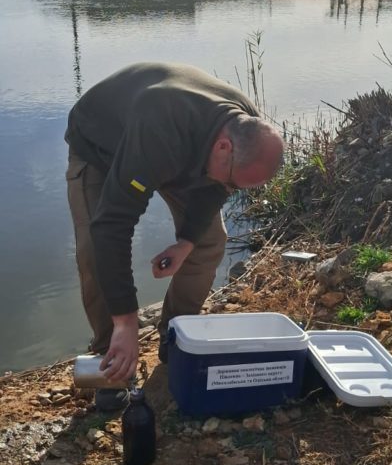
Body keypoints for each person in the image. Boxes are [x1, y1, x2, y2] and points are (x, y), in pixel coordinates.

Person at [65, 62, 284, 407]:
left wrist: (187, 241)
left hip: (177, 154)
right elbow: (113, 226)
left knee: (208, 241)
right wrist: (126, 321)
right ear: (223, 147)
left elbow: (217, 190)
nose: (229, 189)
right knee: (95, 247)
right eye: (230, 181)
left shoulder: (246, 128)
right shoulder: (161, 128)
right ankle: (114, 355)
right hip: (100, 144)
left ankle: (176, 336)